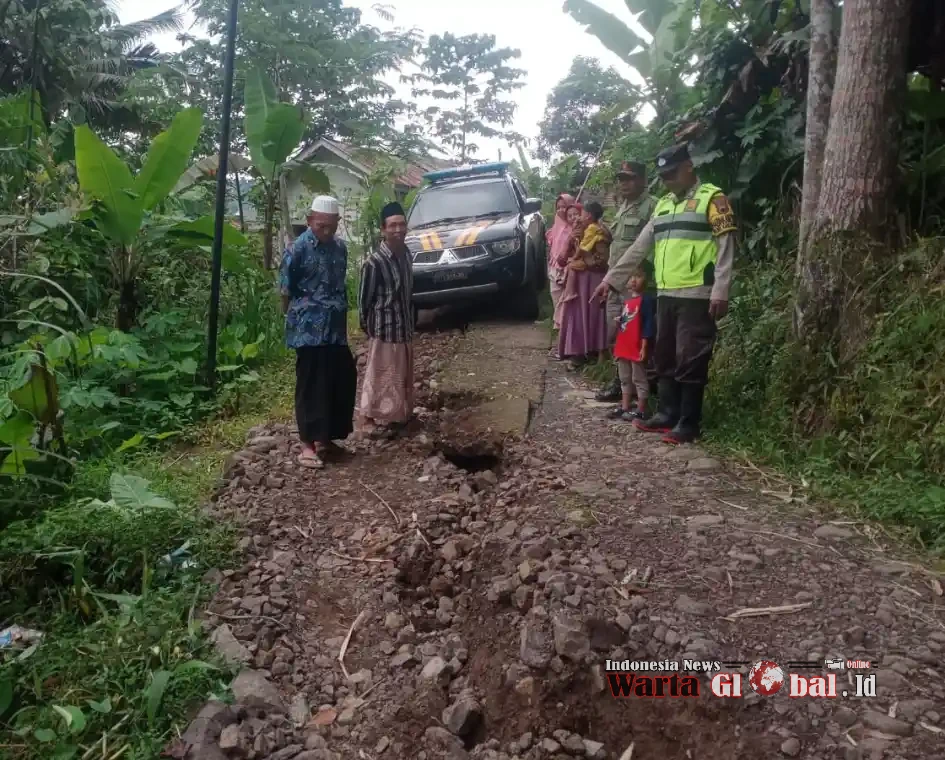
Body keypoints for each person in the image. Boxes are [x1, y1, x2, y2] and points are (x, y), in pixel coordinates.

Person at [592, 143, 736, 444]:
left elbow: (725, 246)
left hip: (697, 293)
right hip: (667, 292)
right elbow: (639, 247)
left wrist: (720, 289)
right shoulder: (665, 205)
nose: (668, 180)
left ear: (688, 167)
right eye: (664, 175)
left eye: (672, 173)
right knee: (664, 354)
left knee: (690, 356)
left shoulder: (713, 198)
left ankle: (688, 421)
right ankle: (667, 414)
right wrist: (611, 280)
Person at [279, 195, 357, 469]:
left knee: (340, 379)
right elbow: (285, 291)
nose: (326, 231)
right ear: (310, 220)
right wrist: (293, 319)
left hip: (334, 327)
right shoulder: (296, 250)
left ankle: (327, 438)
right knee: (312, 384)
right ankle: (307, 445)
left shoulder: (340, 249)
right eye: (321, 225)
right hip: (308, 328)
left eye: (331, 226)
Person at [595, 161, 658, 403]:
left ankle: (642, 385)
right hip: (614, 282)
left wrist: (642, 279)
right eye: (621, 179)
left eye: (629, 178)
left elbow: (649, 247)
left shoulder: (651, 207)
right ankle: (621, 382)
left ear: (643, 180)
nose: (624, 183)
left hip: (635, 284)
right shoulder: (623, 206)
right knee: (615, 333)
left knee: (635, 335)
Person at [357, 201, 415, 439]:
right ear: (383, 229)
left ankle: (398, 414)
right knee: (379, 373)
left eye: (402, 224)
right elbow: (364, 300)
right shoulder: (374, 262)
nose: (398, 230)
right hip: (384, 327)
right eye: (393, 225)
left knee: (401, 372)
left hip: (405, 325)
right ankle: (368, 416)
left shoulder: (407, 255)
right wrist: (367, 326)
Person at [557, 201, 610, 368]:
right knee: (576, 315)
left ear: (587, 215)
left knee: (595, 314)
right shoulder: (575, 232)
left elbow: (602, 261)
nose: (575, 218)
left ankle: (597, 353)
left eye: (578, 214)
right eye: (570, 215)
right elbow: (561, 259)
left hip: (593, 280)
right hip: (577, 283)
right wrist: (571, 239)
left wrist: (584, 262)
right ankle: (577, 353)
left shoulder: (599, 232)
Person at [607, 262, 656, 422]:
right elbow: (628, 320)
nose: (634, 281)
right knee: (624, 377)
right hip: (624, 344)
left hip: (636, 345)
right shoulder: (627, 301)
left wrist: (644, 345)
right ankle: (625, 406)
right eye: (631, 277)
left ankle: (641, 408)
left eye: (638, 276)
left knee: (639, 377)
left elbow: (648, 324)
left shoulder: (646, 301)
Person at [546, 193, 576, 332]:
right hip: (554, 270)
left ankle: (566, 339)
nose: (561, 210)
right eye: (558, 207)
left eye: (565, 207)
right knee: (557, 302)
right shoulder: (555, 227)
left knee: (566, 305)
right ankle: (560, 334)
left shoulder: (576, 228)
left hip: (569, 271)